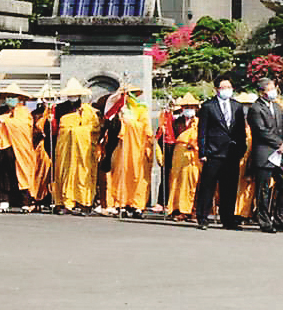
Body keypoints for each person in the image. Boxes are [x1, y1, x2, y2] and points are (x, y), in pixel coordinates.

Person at [194, 78, 247, 230]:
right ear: (217, 89)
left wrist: (241, 149)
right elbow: (202, 131)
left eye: (230, 87)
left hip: (232, 153)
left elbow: (241, 131)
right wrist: (203, 151)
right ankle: (203, 217)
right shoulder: (208, 106)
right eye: (224, 87)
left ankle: (228, 219)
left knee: (229, 187)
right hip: (213, 152)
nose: (228, 90)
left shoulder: (237, 106)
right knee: (208, 186)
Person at [247, 78, 283, 233]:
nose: (274, 91)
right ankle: (265, 221)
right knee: (263, 189)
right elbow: (261, 131)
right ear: (262, 92)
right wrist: (279, 143)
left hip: (281, 153)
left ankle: (281, 218)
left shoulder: (277, 107)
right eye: (270, 88)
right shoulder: (256, 108)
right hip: (265, 153)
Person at [103, 85, 155, 219]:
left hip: (138, 148)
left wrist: (129, 123)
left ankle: (137, 205)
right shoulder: (119, 109)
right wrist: (119, 120)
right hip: (121, 148)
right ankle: (121, 203)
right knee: (121, 175)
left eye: (131, 94)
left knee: (138, 177)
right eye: (126, 94)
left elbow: (145, 129)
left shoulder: (142, 110)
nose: (129, 97)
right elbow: (111, 127)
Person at [0, 82, 38, 212]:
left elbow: (23, 126)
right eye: (8, 96)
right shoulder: (1, 110)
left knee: (21, 175)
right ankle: (3, 201)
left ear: (19, 99)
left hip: (18, 148)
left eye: (13, 96)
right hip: (1, 146)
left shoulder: (24, 112)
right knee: (2, 176)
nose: (10, 99)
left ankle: (25, 202)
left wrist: (6, 121)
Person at [50, 79, 99, 215]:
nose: (73, 97)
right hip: (65, 147)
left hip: (83, 149)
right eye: (70, 94)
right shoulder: (59, 109)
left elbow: (94, 128)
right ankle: (66, 202)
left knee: (82, 173)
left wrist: (76, 132)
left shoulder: (88, 110)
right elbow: (55, 129)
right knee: (64, 173)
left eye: (75, 94)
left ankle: (84, 202)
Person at [166, 94, 202, 220]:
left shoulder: (199, 123)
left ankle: (192, 209)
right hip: (179, 153)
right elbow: (170, 138)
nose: (189, 109)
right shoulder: (176, 123)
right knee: (177, 181)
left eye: (191, 107)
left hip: (194, 155)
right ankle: (178, 209)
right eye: (186, 107)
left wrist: (196, 144)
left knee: (193, 182)